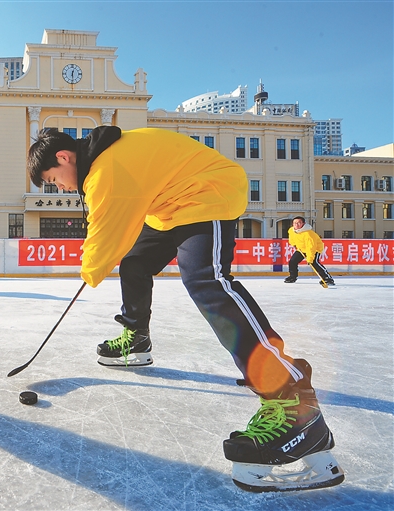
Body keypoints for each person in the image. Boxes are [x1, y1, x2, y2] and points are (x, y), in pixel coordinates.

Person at [27, 127, 343, 492]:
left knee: (207, 280)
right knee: (135, 262)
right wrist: (99, 264)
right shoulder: (105, 160)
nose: (59, 189)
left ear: (64, 158)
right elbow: (116, 231)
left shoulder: (104, 170)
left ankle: (290, 396)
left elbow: (103, 233)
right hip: (170, 208)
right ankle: (137, 338)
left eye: (53, 180)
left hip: (206, 191)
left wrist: (90, 271)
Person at [285, 216, 335, 286]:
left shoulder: (308, 234)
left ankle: (327, 278)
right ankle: (292, 277)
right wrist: (294, 244)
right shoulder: (291, 230)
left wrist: (310, 258)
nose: (296, 225)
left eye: (299, 223)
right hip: (301, 249)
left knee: (314, 263)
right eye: (295, 223)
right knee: (293, 261)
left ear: (303, 223)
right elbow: (292, 238)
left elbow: (311, 247)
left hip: (315, 249)